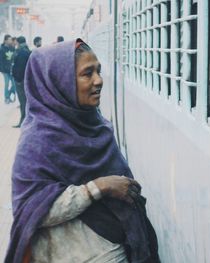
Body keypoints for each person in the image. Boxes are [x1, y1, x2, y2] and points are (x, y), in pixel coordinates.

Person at [5, 39, 160, 263]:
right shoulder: (36, 142)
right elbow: (32, 210)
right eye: (87, 74)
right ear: (60, 82)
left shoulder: (97, 127)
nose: (99, 81)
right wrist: (98, 188)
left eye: (98, 70)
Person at [12, 36, 31, 128]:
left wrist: (18, 79)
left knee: (23, 101)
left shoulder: (21, 52)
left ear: (18, 42)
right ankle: (25, 120)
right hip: (25, 79)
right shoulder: (27, 51)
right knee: (25, 101)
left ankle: (23, 121)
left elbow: (20, 67)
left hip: (21, 80)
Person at [0, 34, 16, 103]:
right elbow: (1, 61)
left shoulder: (12, 48)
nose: (10, 41)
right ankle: (6, 98)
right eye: (9, 40)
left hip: (11, 69)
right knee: (7, 84)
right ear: (5, 40)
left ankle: (9, 95)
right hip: (4, 70)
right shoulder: (1, 49)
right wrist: (4, 69)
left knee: (14, 84)